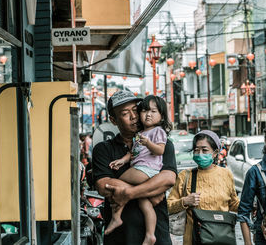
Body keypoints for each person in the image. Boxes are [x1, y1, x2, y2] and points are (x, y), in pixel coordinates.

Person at [92, 90, 177, 245]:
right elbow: (104, 186)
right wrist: (150, 191)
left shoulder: (161, 143)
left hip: (157, 236)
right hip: (121, 238)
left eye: (136, 110)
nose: (134, 116)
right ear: (113, 120)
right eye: (125, 113)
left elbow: (168, 179)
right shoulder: (103, 149)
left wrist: (129, 193)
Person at [167, 130, 239, 245]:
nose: (200, 154)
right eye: (196, 150)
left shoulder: (226, 174)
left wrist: (250, 205)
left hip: (221, 239)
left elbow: (233, 204)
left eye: (204, 150)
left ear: (215, 153)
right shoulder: (185, 176)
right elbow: (168, 206)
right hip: (193, 239)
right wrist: (184, 201)